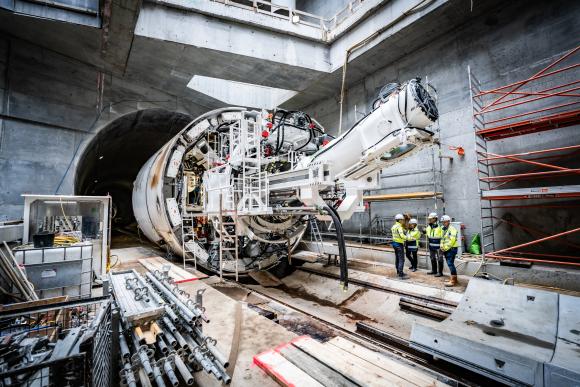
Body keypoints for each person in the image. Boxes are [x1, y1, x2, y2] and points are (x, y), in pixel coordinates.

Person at [440, 215, 460, 287]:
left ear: (448, 221)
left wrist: (445, 248)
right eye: (442, 222)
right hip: (446, 249)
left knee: (450, 263)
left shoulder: (452, 229)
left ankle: (453, 280)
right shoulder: (444, 229)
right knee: (450, 263)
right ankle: (454, 278)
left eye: (444, 222)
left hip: (451, 249)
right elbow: (442, 239)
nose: (443, 223)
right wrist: (441, 246)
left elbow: (452, 241)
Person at [425, 212, 444, 277]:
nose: (429, 220)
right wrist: (424, 232)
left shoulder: (440, 226)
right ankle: (434, 270)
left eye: (431, 219)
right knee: (432, 258)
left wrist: (442, 245)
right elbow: (428, 234)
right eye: (429, 219)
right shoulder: (429, 226)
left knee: (440, 259)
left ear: (435, 218)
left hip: (438, 246)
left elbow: (443, 237)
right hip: (431, 246)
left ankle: (440, 272)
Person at [391, 214, 408, 279]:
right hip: (399, 244)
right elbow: (402, 236)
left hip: (394, 243)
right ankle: (401, 274)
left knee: (397, 258)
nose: (403, 221)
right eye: (402, 220)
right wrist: (408, 238)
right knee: (401, 259)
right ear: (400, 220)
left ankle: (398, 271)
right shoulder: (399, 227)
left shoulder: (393, 226)